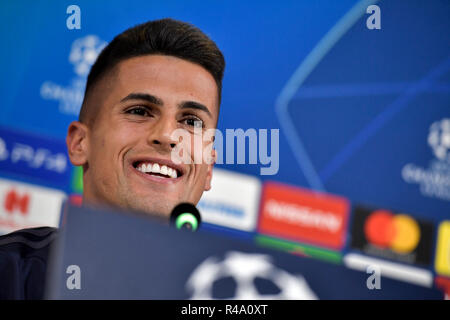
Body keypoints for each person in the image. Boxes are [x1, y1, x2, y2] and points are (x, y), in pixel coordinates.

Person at [0, 18, 225, 299]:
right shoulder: (8, 274)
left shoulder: (243, 295)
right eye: (140, 111)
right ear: (80, 143)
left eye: (191, 121)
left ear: (208, 169)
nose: (168, 135)